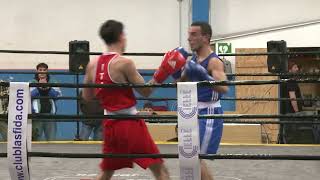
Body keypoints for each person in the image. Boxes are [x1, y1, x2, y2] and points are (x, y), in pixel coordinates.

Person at [82, 19, 187, 180]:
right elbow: (146, 92)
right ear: (121, 36)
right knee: (160, 170)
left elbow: (87, 97)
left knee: (105, 174)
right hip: (129, 123)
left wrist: (106, 91)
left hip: (109, 124)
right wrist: (162, 72)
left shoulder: (92, 65)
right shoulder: (124, 63)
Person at [175, 21, 229, 180]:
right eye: (189, 34)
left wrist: (205, 76)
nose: (189, 38)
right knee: (188, 158)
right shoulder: (193, 59)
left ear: (205, 38)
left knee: (194, 158)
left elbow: (224, 88)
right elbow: (181, 83)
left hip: (208, 113)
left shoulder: (214, 61)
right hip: (191, 112)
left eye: (193, 34)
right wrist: (176, 71)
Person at [30, 63, 62, 141]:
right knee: (36, 141)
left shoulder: (53, 82)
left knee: (51, 140)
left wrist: (47, 87)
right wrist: (39, 87)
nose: (42, 72)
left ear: (47, 71)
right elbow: (29, 95)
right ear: (37, 71)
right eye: (40, 70)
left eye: (44, 70)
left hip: (50, 116)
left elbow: (57, 95)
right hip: (37, 116)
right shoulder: (31, 82)